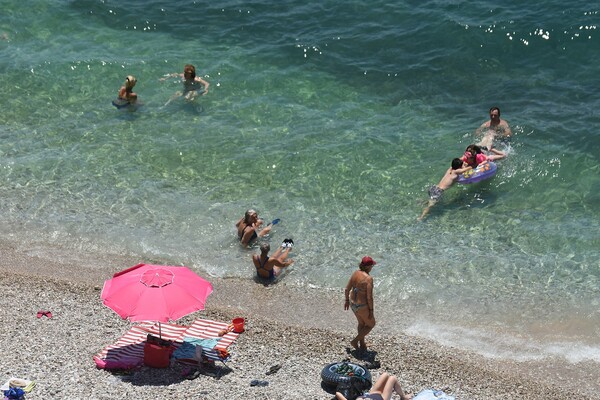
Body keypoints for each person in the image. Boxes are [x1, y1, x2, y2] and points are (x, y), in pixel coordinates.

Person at [344, 256, 378, 352]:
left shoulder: (355, 273)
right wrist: (371, 311)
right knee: (371, 324)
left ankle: (362, 344)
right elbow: (369, 297)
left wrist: (346, 301)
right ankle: (355, 341)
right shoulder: (368, 279)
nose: (372, 267)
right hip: (362, 306)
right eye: (371, 265)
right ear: (368, 267)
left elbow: (347, 289)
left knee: (361, 323)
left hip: (352, 304)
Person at [336, 372, 413, 400]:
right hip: (382, 398)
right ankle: (403, 397)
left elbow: (338, 394)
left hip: (372, 394)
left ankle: (392, 390)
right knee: (392, 379)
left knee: (385, 374)